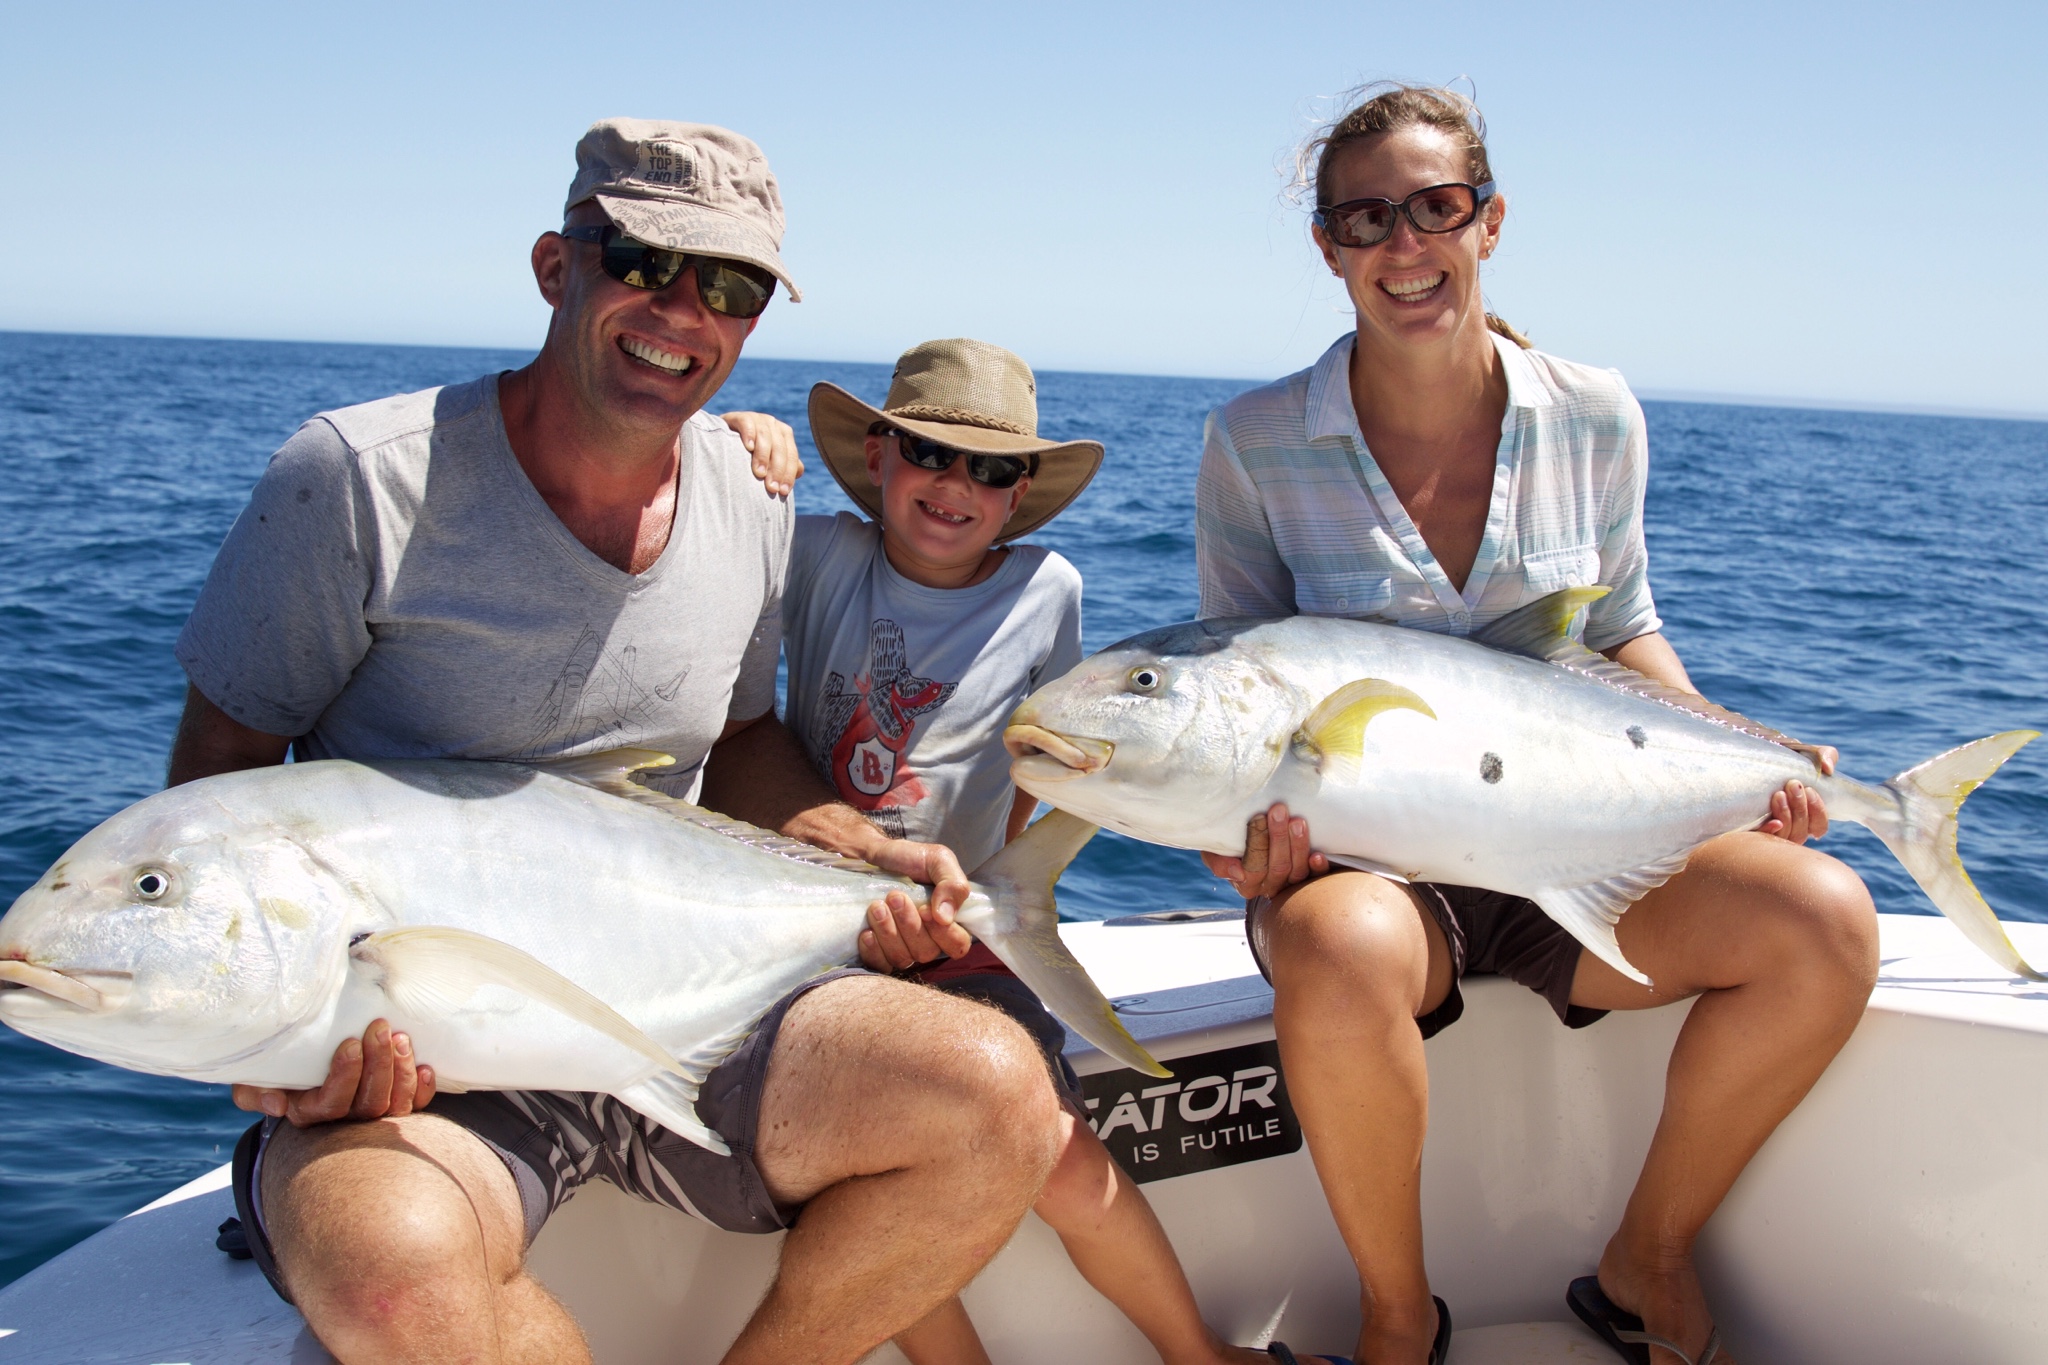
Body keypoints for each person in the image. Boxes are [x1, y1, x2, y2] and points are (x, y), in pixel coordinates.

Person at [170, 118, 1072, 1365]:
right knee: (389, 1278)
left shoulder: (752, 501)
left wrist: (855, 849)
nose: (682, 311)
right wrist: (284, 1045)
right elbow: (222, 775)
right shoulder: (356, 480)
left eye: (730, 287)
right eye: (642, 262)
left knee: (998, 1098)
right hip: (423, 1060)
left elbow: (742, 736)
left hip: (691, 1009)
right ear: (556, 267)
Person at [1193, 85, 1878, 1365]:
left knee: (1822, 920)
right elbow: (1235, 685)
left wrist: (1744, 757)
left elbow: (1620, 631)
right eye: (1366, 217)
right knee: (1333, 946)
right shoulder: (1251, 443)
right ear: (1328, 247)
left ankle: (1645, 1257)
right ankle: (1399, 1318)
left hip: (1574, 850)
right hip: (1374, 869)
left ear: (1488, 221)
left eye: (1435, 207)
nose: (1405, 243)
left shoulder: (1593, 411)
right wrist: (1232, 837)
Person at [786, 338, 1266, 1365]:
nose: (956, 485)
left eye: (992, 468)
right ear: (876, 455)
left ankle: (1198, 1355)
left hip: (961, 929)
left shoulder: (1050, 589)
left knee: (1060, 1153)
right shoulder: (814, 552)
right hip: (813, 932)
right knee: (860, 1181)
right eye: (929, 453)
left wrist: (1007, 906)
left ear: (1018, 494)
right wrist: (738, 441)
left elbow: (1047, 763)